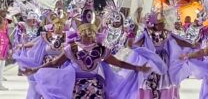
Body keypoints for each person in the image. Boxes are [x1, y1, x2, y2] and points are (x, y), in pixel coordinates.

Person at [22, 17, 151, 99]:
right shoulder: (71, 48)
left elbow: (119, 63)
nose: (88, 36)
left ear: (95, 34)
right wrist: (36, 69)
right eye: (85, 33)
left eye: (91, 33)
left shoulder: (100, 49)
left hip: (95, 89)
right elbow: (55, 63)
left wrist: (137, 67)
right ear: (80, 33)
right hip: (76, 88)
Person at [0, 12, 10, 90]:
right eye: (4, 24)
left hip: (2, 55)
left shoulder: (3, 33)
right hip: (0, 56)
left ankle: (0, 84)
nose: (6, 26)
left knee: (1, 70)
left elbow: (5, 43)